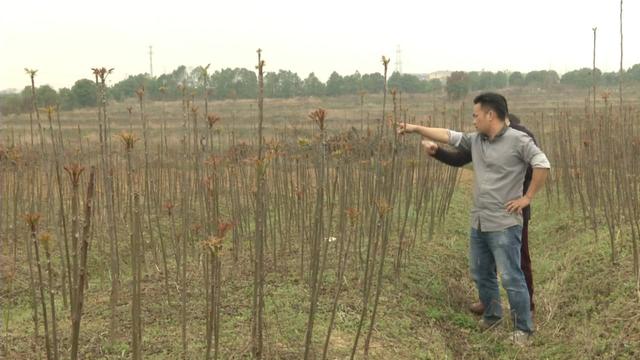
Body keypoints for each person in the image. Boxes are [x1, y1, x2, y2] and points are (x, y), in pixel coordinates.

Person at [397, 93, 550, 344]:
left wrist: (527, 197)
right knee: (481, 272)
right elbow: (448, 135)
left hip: (505, 223)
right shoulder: (476, 140)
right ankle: (492, 317)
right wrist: (415, 129)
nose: (473, 120)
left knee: (511, 276)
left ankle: (523, 329)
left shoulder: (519, 140)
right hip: (479, 221)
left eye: (476, 115)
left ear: (491, 115)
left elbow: (542, 164)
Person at [426, 114, 537, 318]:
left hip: (514, 209)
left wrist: (523, 196)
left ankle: (526, 306)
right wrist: (437, 152)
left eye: (480, 116)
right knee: (485, 262)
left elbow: (533, 169)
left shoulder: (522, 136)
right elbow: (461, 157)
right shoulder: (484, 137)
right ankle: (489, 303)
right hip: (487, 211)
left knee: (518, 259)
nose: (476, 121)